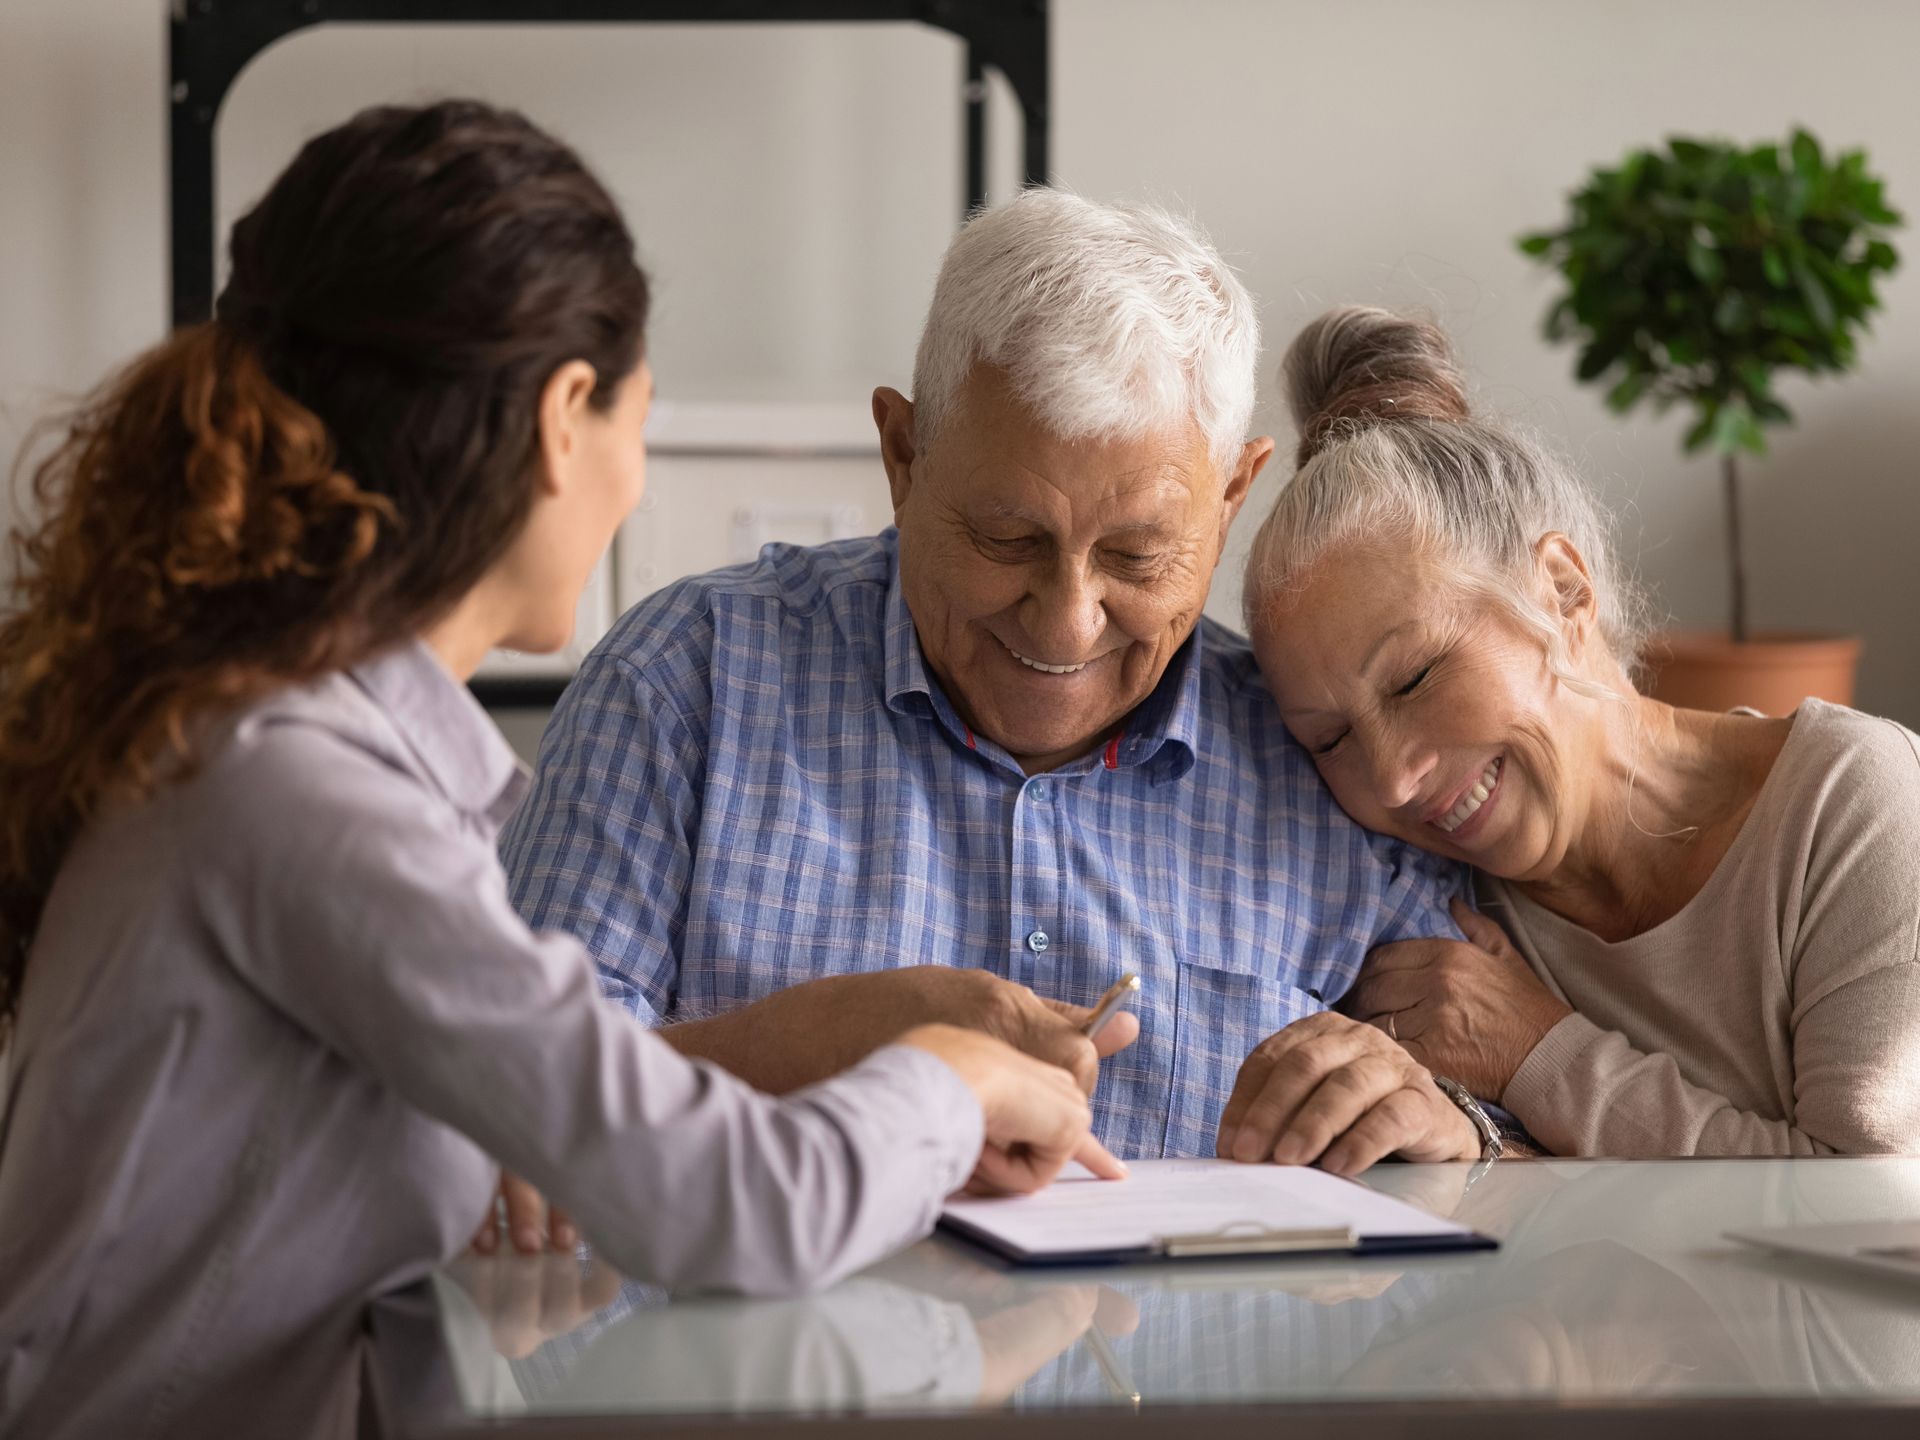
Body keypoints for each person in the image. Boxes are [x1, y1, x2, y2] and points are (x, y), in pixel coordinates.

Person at [0, 101, 1121, 1440]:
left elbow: (558, 1097)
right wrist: (947, 1074)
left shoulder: (281, 740)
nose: (636, 487)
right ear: (562, 419)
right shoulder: (305, 790)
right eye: (640, 424)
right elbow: (728, 1205)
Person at [502, 189, 1493, 1176]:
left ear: (1232, 495)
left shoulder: (1339, 750)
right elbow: (499, 1120)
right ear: (902, 454)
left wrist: (1454, 1133)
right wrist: (809, 1046)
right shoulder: (686, 685)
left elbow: (1511, 1143)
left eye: (1138, 556)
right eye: (1006, 538)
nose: (1066, 620)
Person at [1241, 305, 1920, 1157]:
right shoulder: (1427, 906)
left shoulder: (1851, 800)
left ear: (1563, 589)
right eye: (1330, 739)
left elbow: (1865, 1205)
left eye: (1414, 679)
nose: (1393, 781)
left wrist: (1538, 1052)